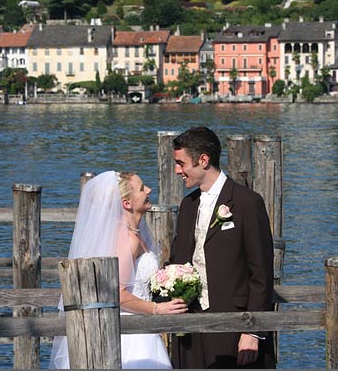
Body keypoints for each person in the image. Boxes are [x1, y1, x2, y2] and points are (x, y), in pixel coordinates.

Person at [49, 171, 187, 369]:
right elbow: (116, 292)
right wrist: (157, 309)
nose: (149, 190)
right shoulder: (127, 240)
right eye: (141, 188)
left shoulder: (136, 234)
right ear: (127, 203)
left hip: (140, 325)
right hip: (130, 331)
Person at [169, 127, 276, 369]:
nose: (177, 170)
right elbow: (178, 260)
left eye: (181, 163)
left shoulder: (248, 203)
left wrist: (253, 331)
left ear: (203, 160)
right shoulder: (187, 205)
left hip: (234, 325)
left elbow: (262, 273)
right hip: (189, 328)